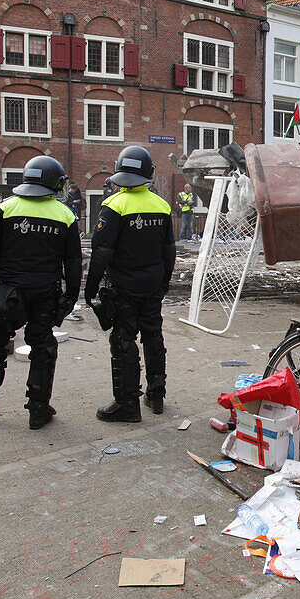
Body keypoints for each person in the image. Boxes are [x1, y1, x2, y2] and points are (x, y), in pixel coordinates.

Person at [0, 155, 81, 429]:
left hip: (7, 293)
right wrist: (70, 296)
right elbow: (72, 261)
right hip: (45, 294)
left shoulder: (6, 208)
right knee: (43, 346)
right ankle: (38, 410)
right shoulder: (65, 215)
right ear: (55, 183)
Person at [85, 146, 176, 421]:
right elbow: (169, 249)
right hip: (151, 285)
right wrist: (164, 282)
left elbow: (102, 252)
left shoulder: (114, 205)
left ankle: (127, 404)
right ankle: (156, 395)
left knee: (124, 339)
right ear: (149, 172)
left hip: (122, 286)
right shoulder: (161, 205)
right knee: (153, 335)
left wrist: (89, 288)